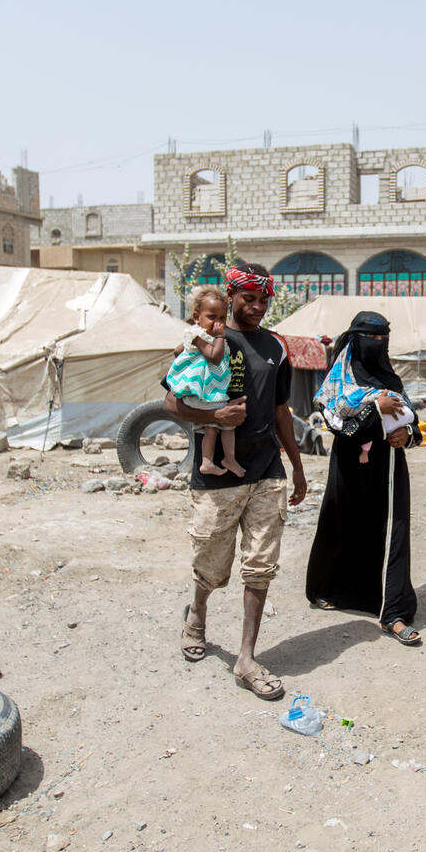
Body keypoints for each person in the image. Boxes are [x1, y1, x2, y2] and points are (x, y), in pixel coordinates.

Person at [163, 263, 306, 699]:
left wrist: (298, 467)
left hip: (267, 469)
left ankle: (246, 658)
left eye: (264, 300)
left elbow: (282, 410)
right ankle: (197, 616)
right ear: (231, 296)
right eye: (249, 299)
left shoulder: (277, 347)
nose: (258, 307)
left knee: (260, 564)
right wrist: (214, 417)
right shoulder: (202, 339)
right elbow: (171, 402)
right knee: (211, 562)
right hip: (217, 474)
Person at [306, 311, 423, 644]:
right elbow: (337, 424)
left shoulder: (390, 378)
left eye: (383, 338)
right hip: (348, 467)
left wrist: (407, 435)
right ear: (356, 340)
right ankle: (328, 588)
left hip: (387, 470)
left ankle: (394, 613)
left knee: (393, 532)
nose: (378, 344)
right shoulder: (338, 380)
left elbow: (413, 421)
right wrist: (375, 407)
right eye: (371, 338)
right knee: (340, 524)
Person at [165, 286, 244, 478]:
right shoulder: (201, 336)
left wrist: (186, 353)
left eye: (222, 318)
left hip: (206, 391)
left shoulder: (199, 335)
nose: (218, 323)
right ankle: (222, 459)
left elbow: (177, 350)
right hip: (200, 393)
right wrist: (218, 337)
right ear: (196, 316)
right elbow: (215, 357)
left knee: (214, 427)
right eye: (212, 317)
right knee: (225, 422)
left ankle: (214, 460)